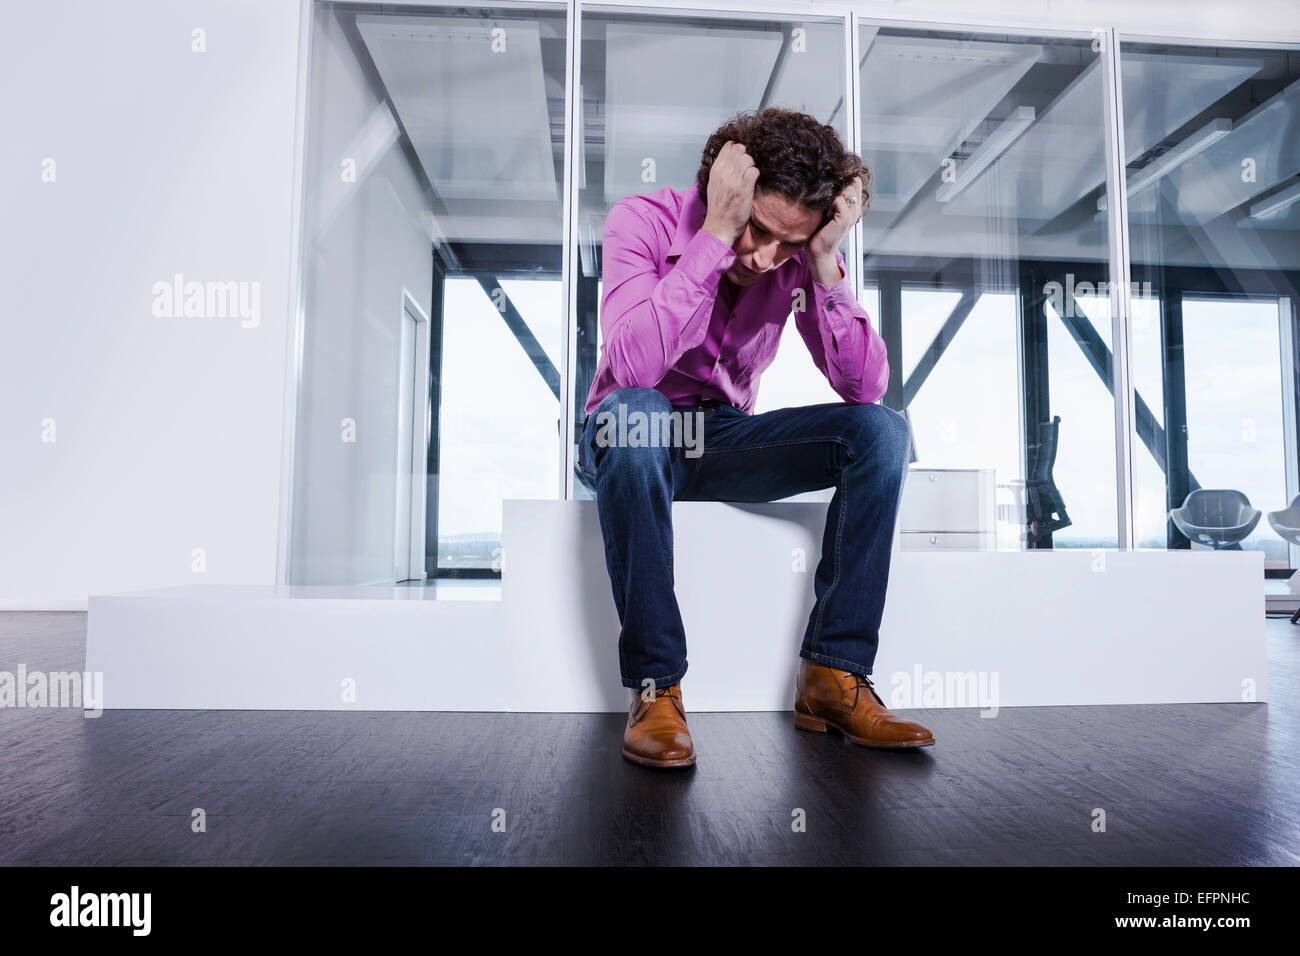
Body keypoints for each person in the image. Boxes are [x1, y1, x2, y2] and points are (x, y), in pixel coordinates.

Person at [577, 107, 934, 769]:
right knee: (640, 413)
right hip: (630, 429)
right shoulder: (642, 220)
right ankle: (656, 687)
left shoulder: (795, 258)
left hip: (724, 440)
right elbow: (633, 368)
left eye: (789, 244)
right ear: (724, 192)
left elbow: (864, 386)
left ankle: (833, 676)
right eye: (757, 229)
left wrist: (823, 261)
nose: (765, 258)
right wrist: (715, 235)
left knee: (882, 434)